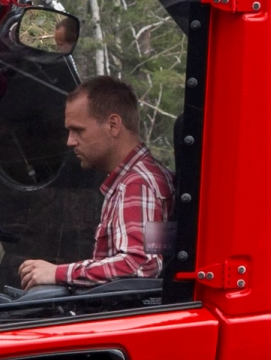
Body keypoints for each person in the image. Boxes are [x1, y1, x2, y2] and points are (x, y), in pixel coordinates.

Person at [20, 76, 174, 286]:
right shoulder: (142, 178)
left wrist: (58, 273)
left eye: (78, 130)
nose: (70, 141)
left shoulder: (138, 184)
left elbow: (140, 264)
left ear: (113, 125)